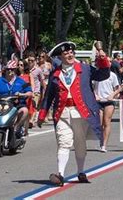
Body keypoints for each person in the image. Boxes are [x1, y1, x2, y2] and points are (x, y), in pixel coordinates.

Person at [37, 41, 111, 186]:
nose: (70, 55)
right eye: (66, 53)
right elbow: (48, 96)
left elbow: (103, 74)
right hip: (62, 113)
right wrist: (42, 115)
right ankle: (60, 174)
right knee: (64, 142)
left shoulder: (85, 68)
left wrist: (102, 57)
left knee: (79, 143)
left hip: (80, 113)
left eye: (71, 53)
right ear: (60, 57)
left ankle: (80, 172)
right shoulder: (55, 74)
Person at [0, 60, 33, 137]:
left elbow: (30, 92)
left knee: (24, 111)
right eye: (8, 69)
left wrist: (21, 94)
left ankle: (16, 128)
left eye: (12, 69)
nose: (10, 71)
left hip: (16, 105)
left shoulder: (21, 81)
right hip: (2, 105)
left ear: (15, 70)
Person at [93, 70, 120, 152]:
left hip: (108, 102)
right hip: (99, 101)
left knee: (107, 122)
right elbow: (91, 87)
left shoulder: (112, 75)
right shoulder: (96, 74)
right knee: (100, 124)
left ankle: (104, 145)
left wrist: (112, 95)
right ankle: (101, 142)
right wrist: (95, 95)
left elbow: (118, 89)